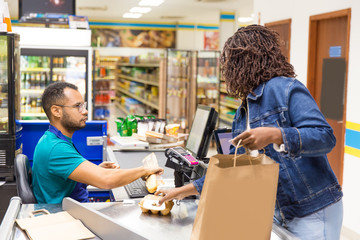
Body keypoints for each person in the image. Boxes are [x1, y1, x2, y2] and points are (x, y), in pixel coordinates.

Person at [156, 25, 343, 240]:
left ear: (246, 62)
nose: (227, 70)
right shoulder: (243, 112)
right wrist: (180, 191)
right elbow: (231, 171)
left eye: (230, 62)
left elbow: (325, 137)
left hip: (311, 208)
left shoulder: (285, 89)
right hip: (277, 211)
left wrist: (276, 135)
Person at [32, 82, 163, 204]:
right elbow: (106, 180)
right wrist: (144, 170)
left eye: (84, 105)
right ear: (56, 111)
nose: (85, 111)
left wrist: (96, 171)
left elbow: (65, 180)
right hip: (66, 218)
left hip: (73, 209)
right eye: (78, 106)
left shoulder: (53, 139)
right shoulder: (56, 148)